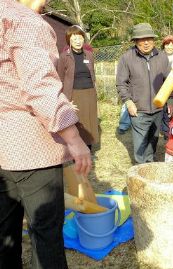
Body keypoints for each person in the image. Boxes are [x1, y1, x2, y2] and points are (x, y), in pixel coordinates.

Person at [0, 0, 92, 268]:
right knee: (45, 234)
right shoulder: (25, 21)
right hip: (31, 148)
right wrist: (74, 139)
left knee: (4, 232)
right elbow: (39, 86)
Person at [116, 23, 171, 164]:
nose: (146, 43)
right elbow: (121, 83)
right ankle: (140, 171)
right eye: (141, 39)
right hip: (138, 109)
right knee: (141, 144)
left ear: (154, 40)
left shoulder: (162, 57)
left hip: (158, 108)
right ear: (135, 41)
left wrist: (169, 102)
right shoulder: (127, 58)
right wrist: (128, 102)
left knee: (153, 141)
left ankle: (150, 167)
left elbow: (168, 81)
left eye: (149, 39)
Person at [57, 25, 99, 152]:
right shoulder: (64, 56)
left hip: (90, 93)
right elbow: (60, 79)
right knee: (78, 123)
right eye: (74, 38)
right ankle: (77, 150)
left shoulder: (89, 55)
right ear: (69, 40)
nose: (77, 41)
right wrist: (65, 99)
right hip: (74, 94)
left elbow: (93, 75)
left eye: (80, 37)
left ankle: (89, 148)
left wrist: (96, 93)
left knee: (90, 122)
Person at [160, 35, 173, 139]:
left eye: (172, 45)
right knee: (163, 109)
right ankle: (164, 130)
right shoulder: (159, 57)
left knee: (170, 109)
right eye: (167, 45)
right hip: (161, 88)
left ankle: (169, 130)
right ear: (164, 46)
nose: (169, 47)